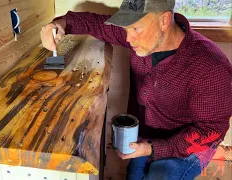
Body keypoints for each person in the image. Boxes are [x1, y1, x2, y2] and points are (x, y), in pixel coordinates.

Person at [40, 0, 232, 179]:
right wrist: (59, 25)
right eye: (126, 28)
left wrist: (151, 149)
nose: (128, 38)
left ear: (164, 20)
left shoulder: (210, 67)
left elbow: (211, 131)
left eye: (136, 28)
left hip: (186, 149)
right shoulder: (142, 38)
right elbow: (95, 23)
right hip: (144, 137)